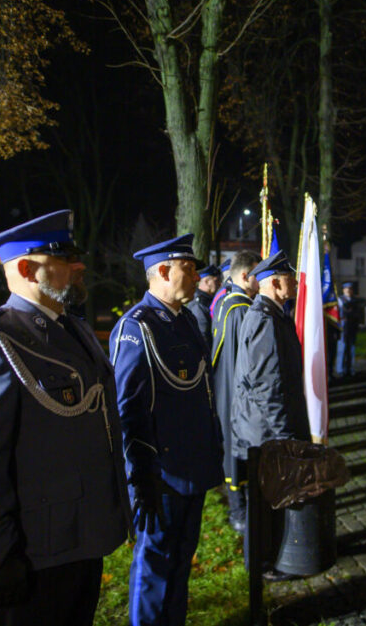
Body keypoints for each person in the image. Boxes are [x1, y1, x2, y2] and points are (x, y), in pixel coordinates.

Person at [0, 210, 131, 626]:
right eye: (64, 257)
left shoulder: (74, 330)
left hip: (81, 539)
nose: (79, 265)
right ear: (27, 269)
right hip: (32, 555)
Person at [109, 234, 224, 626]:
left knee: (181, 560)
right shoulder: (135, 327)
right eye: (187, 269)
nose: (195, 276)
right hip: (161, 473)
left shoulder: (185, 320)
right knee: (155, 563)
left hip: (193, 466)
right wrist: (138, 476)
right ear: (161, 271)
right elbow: (126, 409)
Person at [230, 250, 310, 581]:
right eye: (290, 278)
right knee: (264, 507)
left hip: (265, 431)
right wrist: (285, 437)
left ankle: (268, 560)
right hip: (264, 434)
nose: (295, 283)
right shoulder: (264, 319)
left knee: (270, 503)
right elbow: (267, 386)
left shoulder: (272, 314)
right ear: (275, 284)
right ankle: (261, 567)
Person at [209, 250, 261, 533]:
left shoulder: (225, 301)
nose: (260, 280)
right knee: (237, 450)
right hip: (235, 389)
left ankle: (239, 508)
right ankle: (239, 512)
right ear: (244, 275)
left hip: (225, 385)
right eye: (257, 274)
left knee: (232, 447)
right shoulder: (241, 309)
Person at [185, 264, 220, 348]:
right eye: (216, 281)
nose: (219, 284)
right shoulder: (199, 304)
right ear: (207, 282)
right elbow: (202, 336)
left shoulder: (207, 300)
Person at [335, 282, 360, 378]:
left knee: (351, 348)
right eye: (346, 289)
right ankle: (340, 369)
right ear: (343, 290)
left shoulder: (355, 300)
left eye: (350, 289)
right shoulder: (340, 300)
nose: (348, 290)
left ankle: (350, 368)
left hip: (352, 326)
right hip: (343, 326)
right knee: (342, 348)